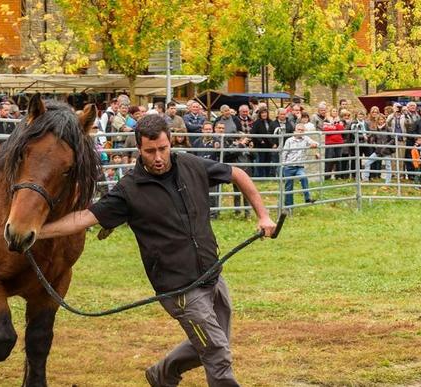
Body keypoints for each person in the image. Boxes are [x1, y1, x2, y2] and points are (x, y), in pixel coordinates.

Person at [38, 114, 276, 387]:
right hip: (179, 289)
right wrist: (38, 232)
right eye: (150, 151)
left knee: (211, 340)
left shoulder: (191, 165)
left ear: (170, 142)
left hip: (212, 276)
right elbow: (84, 218)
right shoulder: (129, 190)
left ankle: (161, 375)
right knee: (216, 352)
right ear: (139, 149)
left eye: (163, 149)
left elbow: (237, 174)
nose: (158, 157)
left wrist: (263, 215)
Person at [281, 123, 318, 207]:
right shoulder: (289, 140)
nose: (300, 132)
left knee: (304, 177)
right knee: (288, 187)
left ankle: (307, 198)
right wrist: (283, 166)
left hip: (299, 166)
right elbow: (284, 153)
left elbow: (316, 143)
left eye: (302, 130)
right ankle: (289, 206)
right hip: (289, 166)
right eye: (299, 130)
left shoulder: (305, 139)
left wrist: (314, 145)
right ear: (295, 131)